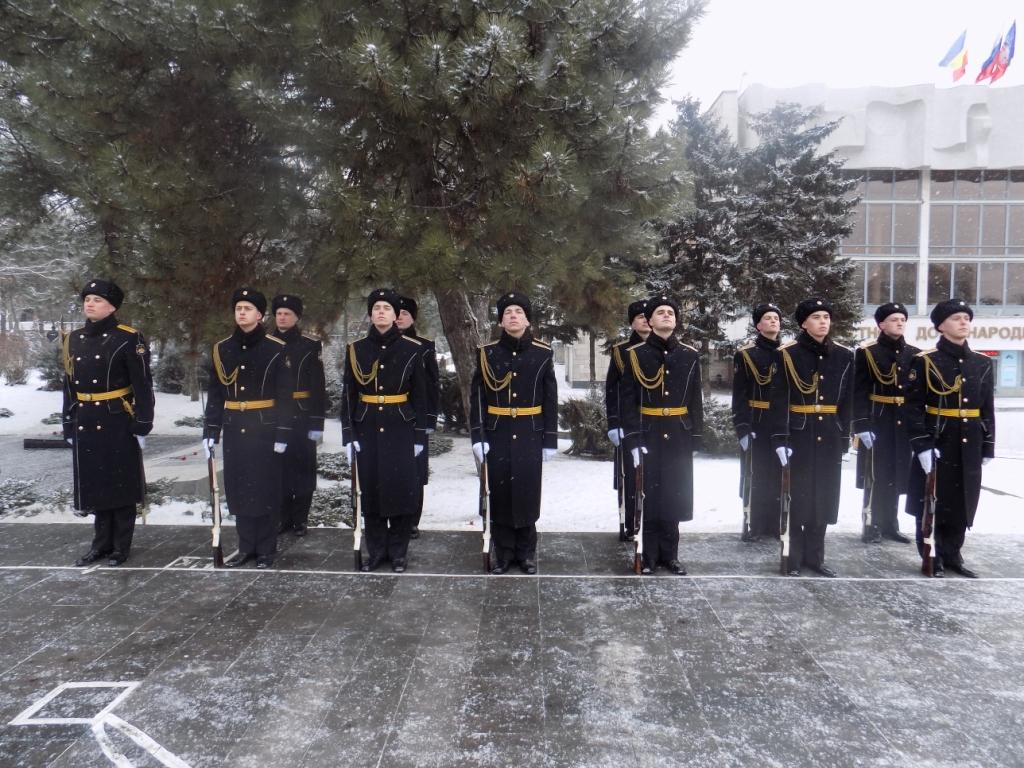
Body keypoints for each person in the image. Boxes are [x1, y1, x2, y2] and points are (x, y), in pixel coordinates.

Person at [64, 279, 155, 567]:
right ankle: (100, 544)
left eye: (97, 300)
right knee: (96, 483)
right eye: (87, 299)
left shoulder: (128, 338)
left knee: (120, 483)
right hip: (87, 417)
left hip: (116, 418)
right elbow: (68, 385)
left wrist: (143, 422)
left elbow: (142, 385)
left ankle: (120, 546)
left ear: (112, 306)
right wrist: (68, 421)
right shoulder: (74, 338)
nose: (89, 304)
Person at [904, 299, 995, 578]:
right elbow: (912, 406)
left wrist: (988, 444)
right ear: (941, 326)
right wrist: (921, 445)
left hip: (968, 440)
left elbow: (986, 407)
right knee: (932, 498)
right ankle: (931, 553)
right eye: (956, 318)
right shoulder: (925, 361)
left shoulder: (981, 362)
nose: (964, 322)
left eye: (967, 317)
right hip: (938, 439)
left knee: (963, 498)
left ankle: (953, 553)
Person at [203, 288, 293, 568]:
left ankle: (266, 548)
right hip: (234, 427)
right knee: (239, 487)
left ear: (260, 315)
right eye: (238, 307)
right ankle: (245, 546)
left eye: (247, 308)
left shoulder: (275, 348)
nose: (241, 312)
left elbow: (285, 394)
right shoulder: (222, 349)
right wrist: (210, 430)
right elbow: (217, 393)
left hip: (264, 428)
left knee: (265, 488)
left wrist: (283, 433)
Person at [341, 288, 429, 572]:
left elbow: (421, 395)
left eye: (386, 308)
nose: (381, 312)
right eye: (376, 307)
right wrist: (348, 434)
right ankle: (376, 551)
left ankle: (399, 553)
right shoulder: (356, 349)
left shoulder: (413, 349)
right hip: (367, 426)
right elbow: (349, 394)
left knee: (401, 491)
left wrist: (419, 435)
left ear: (395, 316)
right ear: (370, 314)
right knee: (372, 492)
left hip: (400, 426)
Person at [470, 292, 558, 574]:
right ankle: (504, 554)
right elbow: (479, 398)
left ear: (527, 319)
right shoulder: (487, 353)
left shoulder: (543, 353)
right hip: (497, 432)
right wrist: (478, 436)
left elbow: (550, 398)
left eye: (518, 311)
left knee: (527, 493)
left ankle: (527, 553)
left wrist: (550, 440)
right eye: (507, 312)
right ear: (500, 320)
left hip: (530, 432)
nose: (513, 315)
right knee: (501, 493)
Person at [769, 298, 854, 577]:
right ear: (804, 323)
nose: (823, 322)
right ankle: (793, 558)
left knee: (824, 497)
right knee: (797, 497)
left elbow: (846, 401)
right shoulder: (787, 354)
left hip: (829, 432)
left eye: (826, 317)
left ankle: (815, 558)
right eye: (816, 317)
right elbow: (778, 399)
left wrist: (844, 438)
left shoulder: (843, 355)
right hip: (799, 433)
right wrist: (780, 438)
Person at [620, 294, 703, 575]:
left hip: (679, 433)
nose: (667, 316)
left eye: (671, 312)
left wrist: (696, 437)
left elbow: (695, 400)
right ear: (650, 321)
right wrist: (632, 439)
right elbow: (628, 401)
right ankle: (649, 555)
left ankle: (671, 555)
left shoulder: (690, 355)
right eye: (661, 313)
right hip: (648, 433)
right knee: (649, 495)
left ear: (676, 319)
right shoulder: (635, 355)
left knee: (674, 495)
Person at [852, 302, 918, 544]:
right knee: (875, 474)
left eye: (902, 319)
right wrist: (861, 424)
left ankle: (891, 524)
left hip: (902, 421)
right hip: (878, 419)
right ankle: (871, 524)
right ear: (881, 324)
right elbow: (858, 392)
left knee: (898, 474)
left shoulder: (914, 353)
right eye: (893, 319)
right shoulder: (867, 352)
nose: (899, 323)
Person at [269, 294, 326, 538]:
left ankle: (300, 518)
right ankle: (282, 517)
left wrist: (317, 421)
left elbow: (318, 385)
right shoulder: (266, 342)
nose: (282, 317)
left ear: (297, 317)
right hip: (273, 415)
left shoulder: (309, 345)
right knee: (278, 468)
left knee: (302, 468)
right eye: (279, 313)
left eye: (287, 313)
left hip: (302, 414)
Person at [730, 303, 783, 542]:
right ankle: (751, 522)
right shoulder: (746, 354)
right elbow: (739, 395)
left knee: (780, 474)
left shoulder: (788, 352)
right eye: (768, 318)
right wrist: (742, 426)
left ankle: (776, 522)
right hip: (757, 421)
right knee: (754, 473)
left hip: (782, 421)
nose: (773, 321)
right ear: (758, 325)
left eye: (776, 318)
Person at [605, 299, 650, 541]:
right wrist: (614, 423)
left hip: (656, 424)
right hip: (628, 423)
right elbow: (612, 391)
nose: (644, 319)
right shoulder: (621, 351)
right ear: (632, 322)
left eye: (647, 315)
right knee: (629, 476)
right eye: (639, 316)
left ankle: (652, 525)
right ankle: (629, 523)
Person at [396, 295, 440, 539]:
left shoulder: (424, 346)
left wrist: (430, 419)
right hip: (391, 416)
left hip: (417, 416)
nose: (400, 317)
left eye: (405, 313)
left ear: (413, 318)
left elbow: (432, 384)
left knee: (415, 471)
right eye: (398, 312)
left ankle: (412, 519)